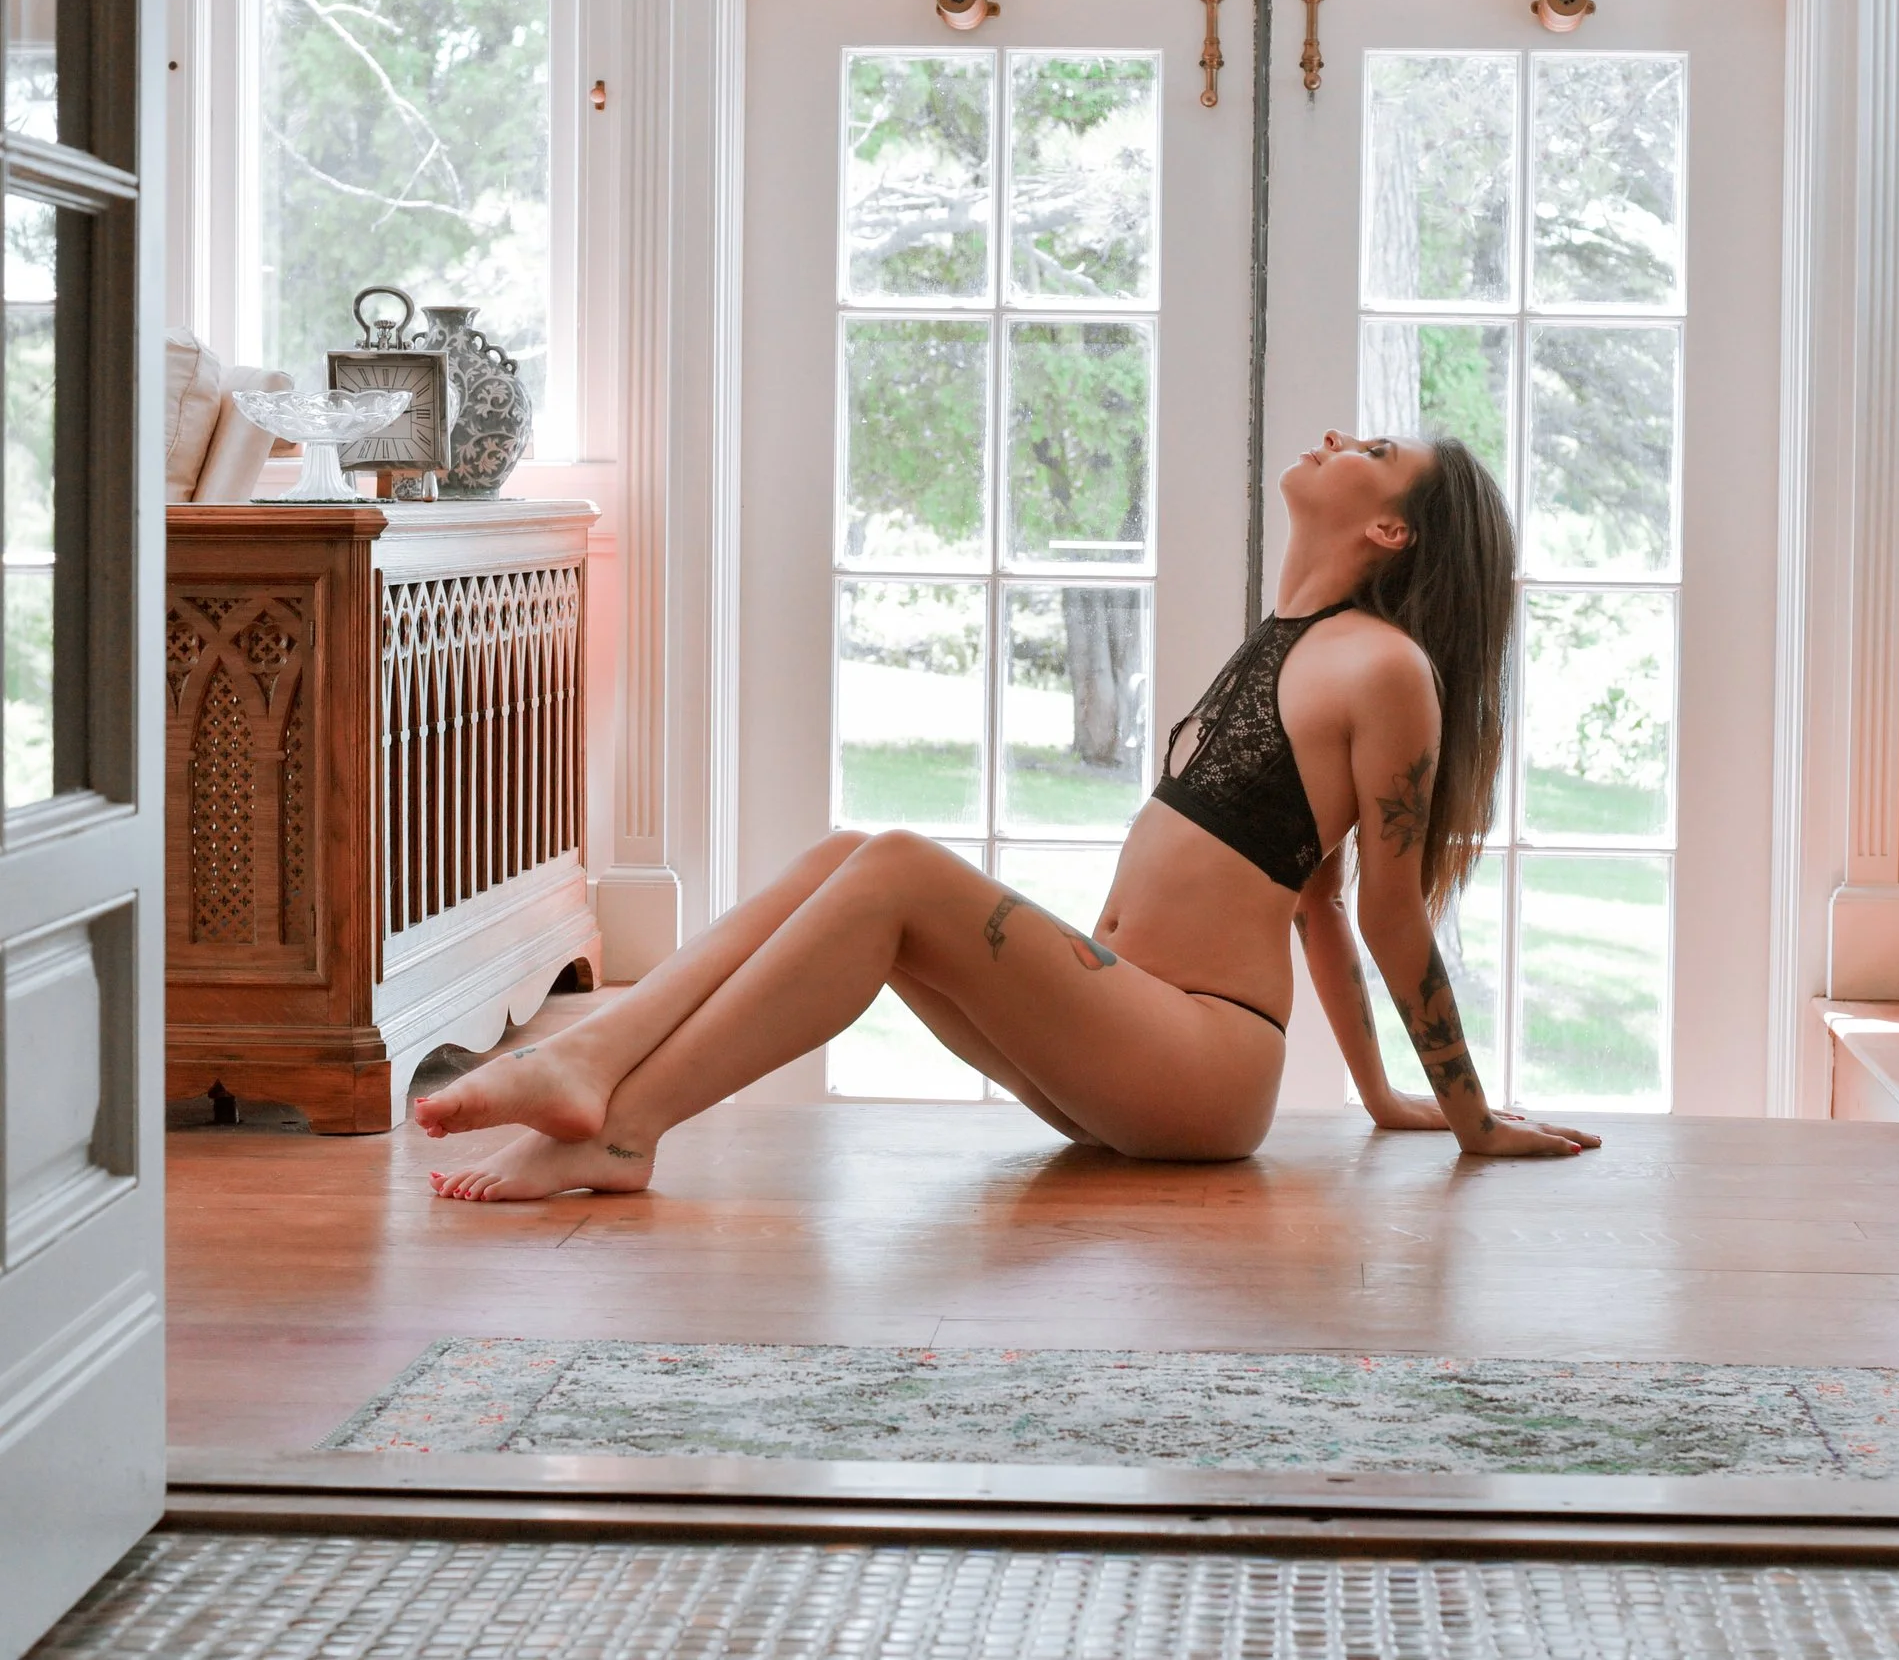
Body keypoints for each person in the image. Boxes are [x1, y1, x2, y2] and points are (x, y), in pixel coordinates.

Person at [422, 431, 1601, 1200]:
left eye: (1376, 450)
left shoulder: (1386, 667)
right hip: (1128, 1035)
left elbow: (1390, 911)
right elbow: (1320, 903)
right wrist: (1377, 1096)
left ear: (1389, 528)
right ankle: (599, 1082)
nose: (1340, 437)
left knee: (891, 867)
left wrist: (1467, 1116)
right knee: (852, 854)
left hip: (1198, 1058)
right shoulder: (1291, 643)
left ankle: (622, 1118)